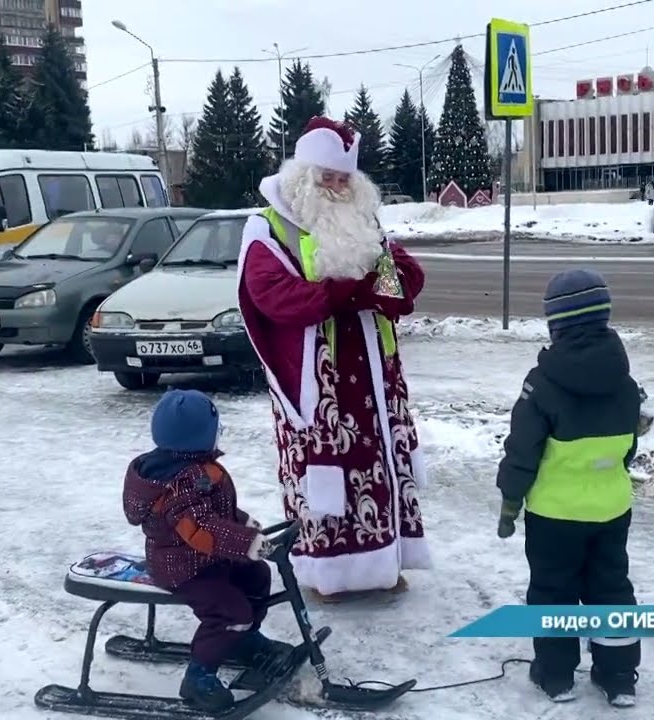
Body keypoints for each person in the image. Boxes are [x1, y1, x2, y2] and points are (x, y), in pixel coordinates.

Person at [236, 116, 431, 602]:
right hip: (316, 380)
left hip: (374, 377)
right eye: (329, 176)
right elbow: (272, 295)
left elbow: (400, 280)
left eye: (346, 178)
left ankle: (383, 564)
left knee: (380, 467)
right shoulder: (267, 225)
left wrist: (384, 287)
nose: (339, 186)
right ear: (304, 174)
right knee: (325, 472)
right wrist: (346, 292)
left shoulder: (363, 222)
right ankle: (328, 575)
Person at [495, 269, 644, 708]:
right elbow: (628, 449)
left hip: (554, 515)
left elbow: (522, 450)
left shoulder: (541, 385)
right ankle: (618, 677)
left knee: (553, 590)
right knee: (612, 588)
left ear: (554, 324)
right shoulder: (626, 384)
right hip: (612, 510)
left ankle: (556, 674)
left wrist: (509, 504)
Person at [122, 389, 293, 712]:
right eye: (216, 430)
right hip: (181, 568)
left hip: (205, 557)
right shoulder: (179, 484)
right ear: (197, 439)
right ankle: (198, 677)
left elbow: (216, 513)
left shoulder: (195, 469)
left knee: (256, 575)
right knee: (230, 610)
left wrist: (249, 528)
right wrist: (247, 543)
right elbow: (201, 529)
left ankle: (242, 640)